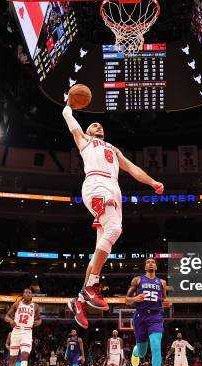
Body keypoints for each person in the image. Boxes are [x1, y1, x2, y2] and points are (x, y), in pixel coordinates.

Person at [62, 105, 164, 329]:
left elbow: (133, 168)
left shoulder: (113, 148)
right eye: (93, 124)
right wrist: (68, 105)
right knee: (115, 230)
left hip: (113, 190)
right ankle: (91, 286)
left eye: (100, 124)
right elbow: (70, 121)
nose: (98, 125)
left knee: (100, 251)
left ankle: (79, 301)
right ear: (88, 131)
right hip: (97, 184)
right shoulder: (85, 141)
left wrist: (152, 182)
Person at [126, 258, 172, 366]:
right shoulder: (137, 280)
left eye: (153, 262)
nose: (150, 263)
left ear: (156, 267)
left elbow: (165, 301)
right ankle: (135, 352)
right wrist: (135, 299)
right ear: (145, 267)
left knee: (156, 346)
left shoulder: (162, 283)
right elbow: (126, 300)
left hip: (155, 317)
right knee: (142, 352)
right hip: (140, 317)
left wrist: (167, 303)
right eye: (148, 262)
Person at [3, 288, 42, 366]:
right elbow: (6, 316)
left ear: (31, 295)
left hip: (27, 333)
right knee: (13, 358)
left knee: (25, 355)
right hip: (16, 331)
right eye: (26, 292)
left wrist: (39, 322)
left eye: (30, 293)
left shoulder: (36, 306)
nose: (28, 294)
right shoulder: (17, 304)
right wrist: (11, 320)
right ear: (23, 294)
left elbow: (39, 319)